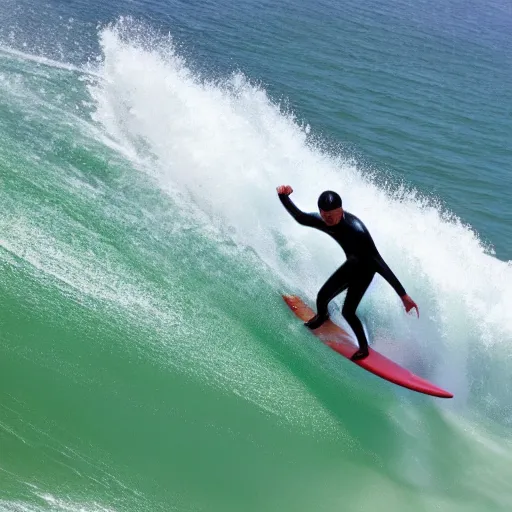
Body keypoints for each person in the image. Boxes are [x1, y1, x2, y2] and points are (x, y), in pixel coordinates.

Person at [277, 185, 419, 361]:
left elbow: (379, 263)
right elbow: (300, 218)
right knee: (322, 297)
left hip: (366, 270)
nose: (328, 219)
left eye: (332, 214)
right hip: (351, 265)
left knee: (348, 312)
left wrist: (403, 295)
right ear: (320, 211)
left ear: (341, 210)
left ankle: (364, 348)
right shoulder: (323, 220)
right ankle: (323, 316)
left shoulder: (356, 230)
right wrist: (283, 196)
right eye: (324, 214)